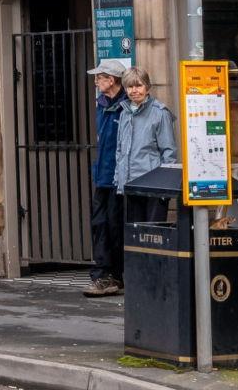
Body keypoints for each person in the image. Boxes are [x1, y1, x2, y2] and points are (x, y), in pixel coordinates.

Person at [84, 58, 130, 297]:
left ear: (111, 80)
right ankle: (103, 273)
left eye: (99, 78)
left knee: (115, 226)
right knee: (100, 224)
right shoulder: (102, 105)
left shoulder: (126, 107)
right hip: (103, 175)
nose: (96, 82)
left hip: (118, 177)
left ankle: (114, 274)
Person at [114, 66, 177, 222]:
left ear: (147, 87)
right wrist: (118, 179)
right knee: (134, 233)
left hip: (153, 185)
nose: (134, 90)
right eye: (130, 86)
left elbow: (168, 152)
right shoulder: (124, 113)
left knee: (153, 232)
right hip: (130, 184)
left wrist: (164, 186)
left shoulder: (160, 113)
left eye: (138, 85)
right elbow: (120, 150)